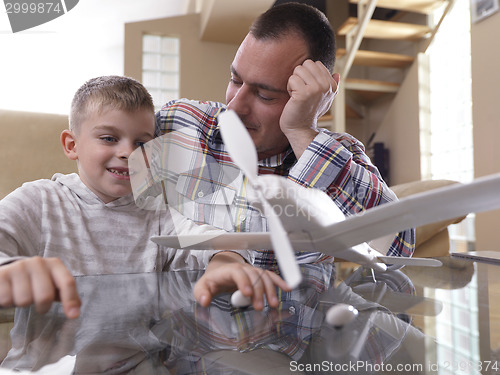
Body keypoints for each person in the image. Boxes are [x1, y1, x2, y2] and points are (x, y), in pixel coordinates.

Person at [152, 3, 415, 305]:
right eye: (235, 80)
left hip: (290, 341)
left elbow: (395, 254)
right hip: (188, 336)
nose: (235, 106)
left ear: (320, 93)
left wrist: (303, 131)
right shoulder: (181, 124)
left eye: (265, 94)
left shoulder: (341, 157)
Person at [0, 75, 288, 320]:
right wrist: (10, 270)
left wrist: (226, 263)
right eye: (109, 138)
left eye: (141, 142)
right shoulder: (40, 201)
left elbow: (219, 242)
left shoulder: (158, 216)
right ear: (72, 145)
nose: (129, 152)